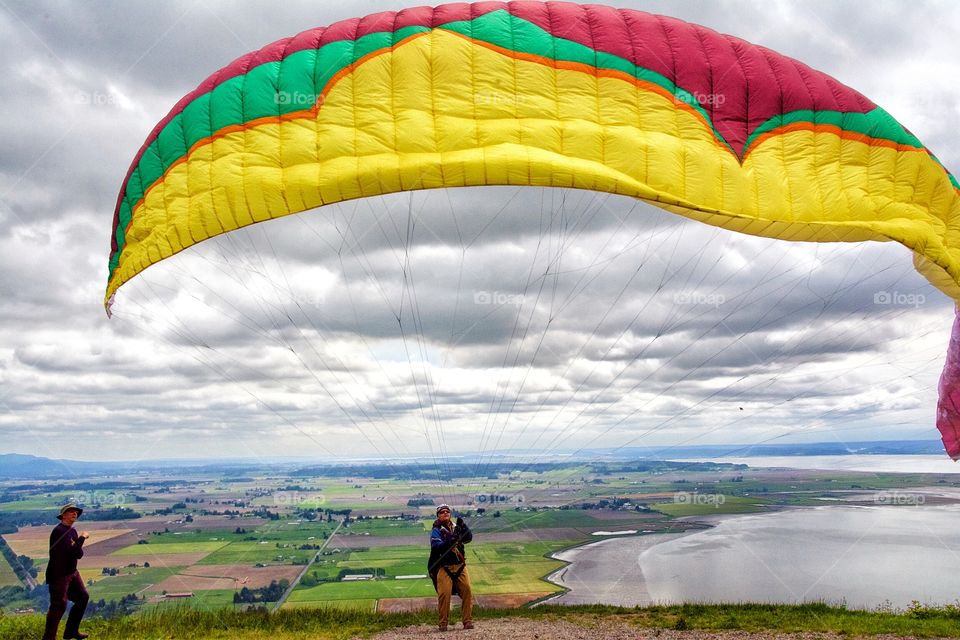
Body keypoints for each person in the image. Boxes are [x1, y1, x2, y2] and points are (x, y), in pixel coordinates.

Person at [42, 504, 90, 640]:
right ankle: (49, 638)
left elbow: (78, 554)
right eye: (71, 512)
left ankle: (71, 631)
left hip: (72, 572)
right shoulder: (59, 531)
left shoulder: (71, 531)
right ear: (63, 515)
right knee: (59, 605)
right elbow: (73, 551)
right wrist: (82, 538)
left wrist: (78, 541)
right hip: (59, 575)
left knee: (82, 598)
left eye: (76, 512)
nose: (74, 514)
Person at [428, 504, 473, 631]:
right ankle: (443, 623)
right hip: (444, 567)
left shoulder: (456, 527)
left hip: (460, 566)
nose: (445, 513)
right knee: (444, 594)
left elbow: (468, 538)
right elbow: (436, 546)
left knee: (467, 591)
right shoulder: (437, 531)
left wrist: (464, 527)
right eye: (442, 512)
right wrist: (450, 541)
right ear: (438, 515)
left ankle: (467, 621)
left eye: (447, 511)